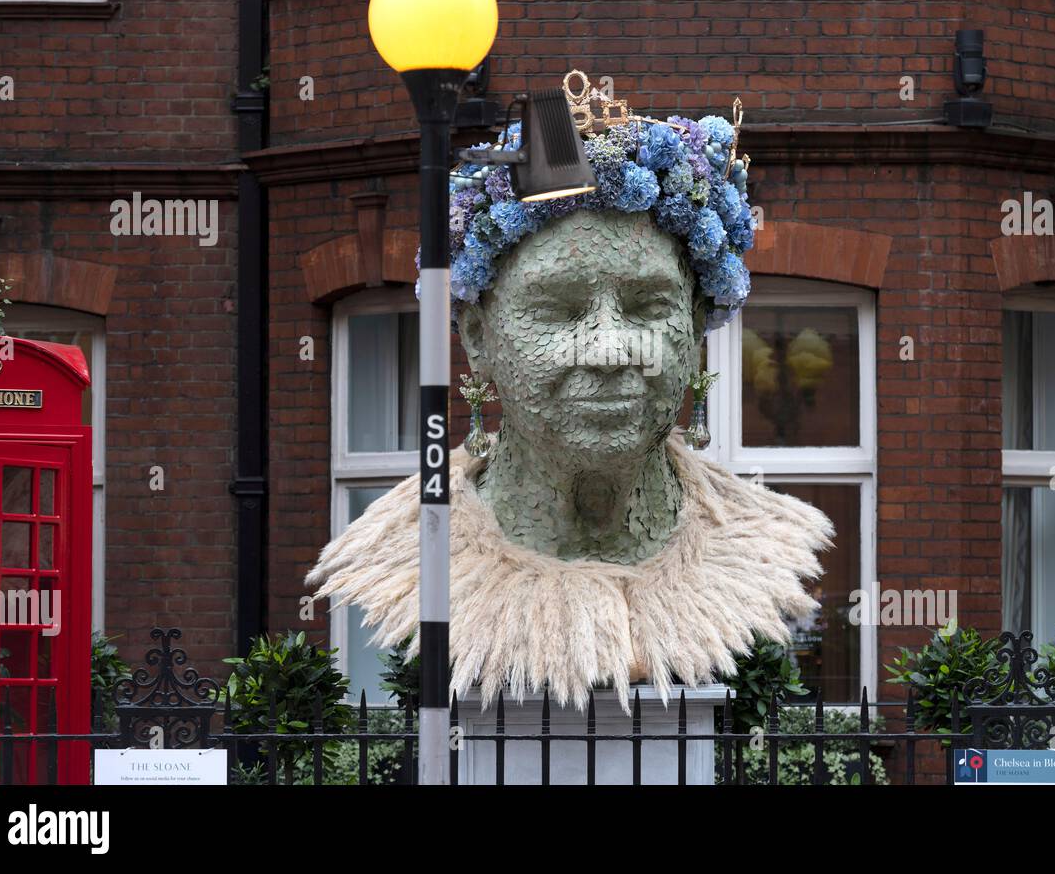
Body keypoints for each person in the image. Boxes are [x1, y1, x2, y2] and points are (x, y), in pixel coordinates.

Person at [307, 81, 834, 711]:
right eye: (557, 309)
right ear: (478, 337)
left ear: (696, 325)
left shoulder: (758, 547)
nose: (611, 350)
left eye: (648, 305)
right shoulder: (412, 557)